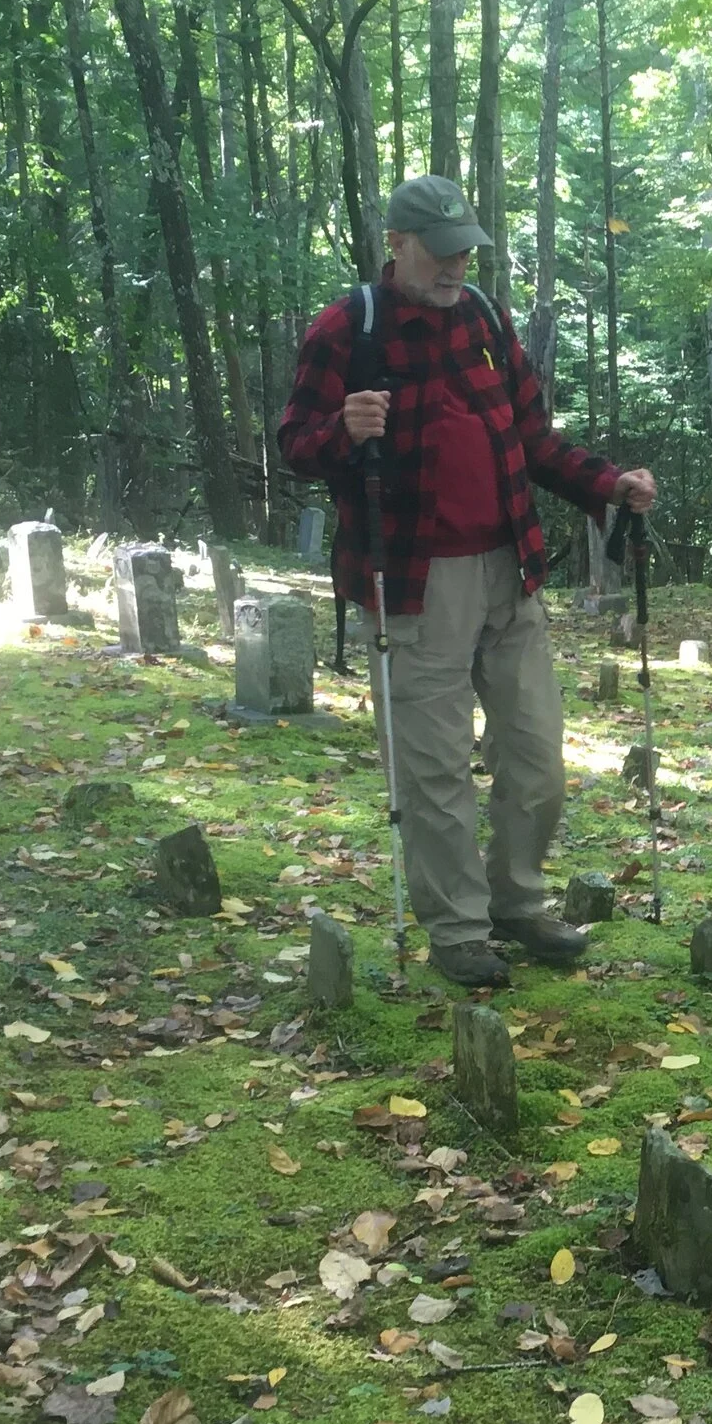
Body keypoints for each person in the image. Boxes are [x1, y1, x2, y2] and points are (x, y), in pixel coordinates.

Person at [280, 174, 658, 989]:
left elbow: (533, 439)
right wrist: (342, 431)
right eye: (443, 252)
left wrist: (605, 484)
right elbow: (295, 445)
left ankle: (516, 901)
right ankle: (457, 929)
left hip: (509, 570)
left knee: (536, 753)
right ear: (399, 244)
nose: (458, 267)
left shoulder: (485, 319)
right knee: (436, 768)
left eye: (467, 252)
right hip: (413, 584)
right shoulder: (351, 329)